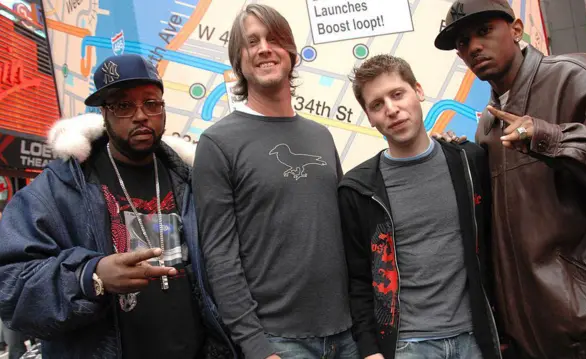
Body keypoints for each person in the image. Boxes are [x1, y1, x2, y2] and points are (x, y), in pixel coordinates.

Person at [434, 1, 586, 358]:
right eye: (463, 43)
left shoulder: (575, 75)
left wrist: (552, 138)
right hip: (542, 346)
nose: (474, 48)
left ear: (516, 30)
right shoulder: (488, 126)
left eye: (484, 31)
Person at [0, 54, 235, 359]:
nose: (141, 115)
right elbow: (10, 286)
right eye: (123, 105)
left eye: (152, 103)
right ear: (104, 113)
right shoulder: (62, 187)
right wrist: (90, 277)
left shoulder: (190, 181)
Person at [192, 4, 357, 359]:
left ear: (291, 53)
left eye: (274, 39)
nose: (265, 48)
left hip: (347, 336)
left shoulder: (321, 137)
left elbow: (342, 233)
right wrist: (256, 347)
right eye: (252, 42)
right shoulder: (217, 144)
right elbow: (220, 256)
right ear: (239, 60)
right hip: (278, 343)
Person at [339, 54, 500, 359]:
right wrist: (370, 351)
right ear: (369, 117)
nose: (391, 109)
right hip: (407, 346)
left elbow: (496, 246)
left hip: (474, 339)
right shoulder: (358, 190)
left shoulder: (469, 162)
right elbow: (358, 281)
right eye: (377, 104)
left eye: (397, 94)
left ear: (419, 91)